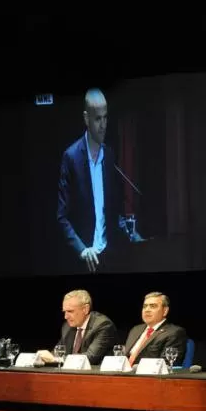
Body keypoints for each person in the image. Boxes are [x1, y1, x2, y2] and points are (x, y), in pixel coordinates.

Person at [57, 88, 140, 274]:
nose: (103, 125)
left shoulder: (109, 155)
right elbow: (62, 218)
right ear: (86, 119)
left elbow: (112, 210)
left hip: (108, 257)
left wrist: (132, 234)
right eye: (97, 119)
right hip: (83, 260)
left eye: (105, 118)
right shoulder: (71, 158)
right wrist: (82, 250)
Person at [36, 289, 118, 365]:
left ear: (85, 309)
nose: (65, 317)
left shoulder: (103, 325)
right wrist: (44, 357)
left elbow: (90, 358)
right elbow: (58, 351)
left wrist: (56, 359)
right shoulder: (67, 327)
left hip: (98, 377)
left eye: (70, 311)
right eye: (64, 312)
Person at [124, 292, 188, 367]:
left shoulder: (174, 332)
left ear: (165, 311)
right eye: (144, 306)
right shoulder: (135, 330)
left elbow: (166, 364)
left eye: (153, 306)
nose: (147, 310)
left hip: (147, 376)